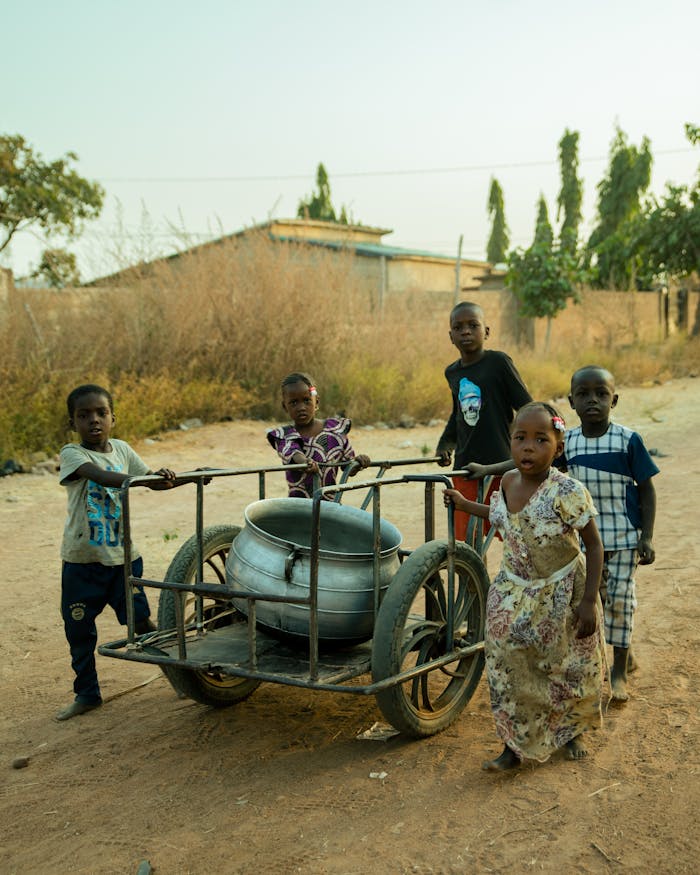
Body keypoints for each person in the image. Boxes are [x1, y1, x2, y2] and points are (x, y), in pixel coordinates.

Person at [444, 402, 606, 771]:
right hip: (513, 590)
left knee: (562, 665)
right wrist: (465, 503)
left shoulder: (567, 490)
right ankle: (513, 745)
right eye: (520, 438)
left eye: (540, 440)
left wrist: (587, 600)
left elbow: (594, 545)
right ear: (510, 443)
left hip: (560, 591)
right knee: (505, 661)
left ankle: (570, 731)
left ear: (558, 448)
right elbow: (502, 517)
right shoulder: (505, 482)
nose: (528, 447)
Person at [57, 383, 182, 721]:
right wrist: (145, 479)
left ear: (114, 417)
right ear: (73, 423)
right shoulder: (73, 454)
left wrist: (177, 477)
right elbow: (102, 476)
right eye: (84, 415)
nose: (93, 421)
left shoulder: (123, 449)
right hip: (82, 563)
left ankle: (181, 679)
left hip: (124, 559)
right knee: (79, 630)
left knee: (142, 624)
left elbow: (152, 481)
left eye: (101, 413)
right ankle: (87, 694)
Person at [562, 365, 659, 703]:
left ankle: (617, 671)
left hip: (622, 539)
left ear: (613, 399)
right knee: (595, 603)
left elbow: (646, 490)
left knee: (620, 602)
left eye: (601, 394)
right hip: (585, 545)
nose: (593, 401)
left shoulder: (628, 440)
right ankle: (624, 655)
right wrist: (488, 469)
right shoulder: (568, 443)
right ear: (571, 401)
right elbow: (534, 466)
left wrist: (646, 536)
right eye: (584, 394)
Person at [436, 301, 531, 541]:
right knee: (469, 541)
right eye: (458, 327)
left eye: (473, 325)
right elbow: (457, 414)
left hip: (502, 467)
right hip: (466, 467)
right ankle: (476, 580)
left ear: (486, 331)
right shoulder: (452, 372)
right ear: (451, 336)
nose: (465, 331)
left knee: (515, 534)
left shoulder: (498, 363)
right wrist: (445, 443)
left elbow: (527, 408)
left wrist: (529, 448)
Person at [266, 372, 370, 499]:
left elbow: (347, 467)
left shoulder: (335, 431)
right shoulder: (284, 435)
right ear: (285, 407)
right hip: (298, 507)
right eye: (294, 403)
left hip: (329, 506)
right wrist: (305, 462)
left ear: (317, 402)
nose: (301, 407)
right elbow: (292, 452)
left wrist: (358, 463)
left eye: (306, 400)